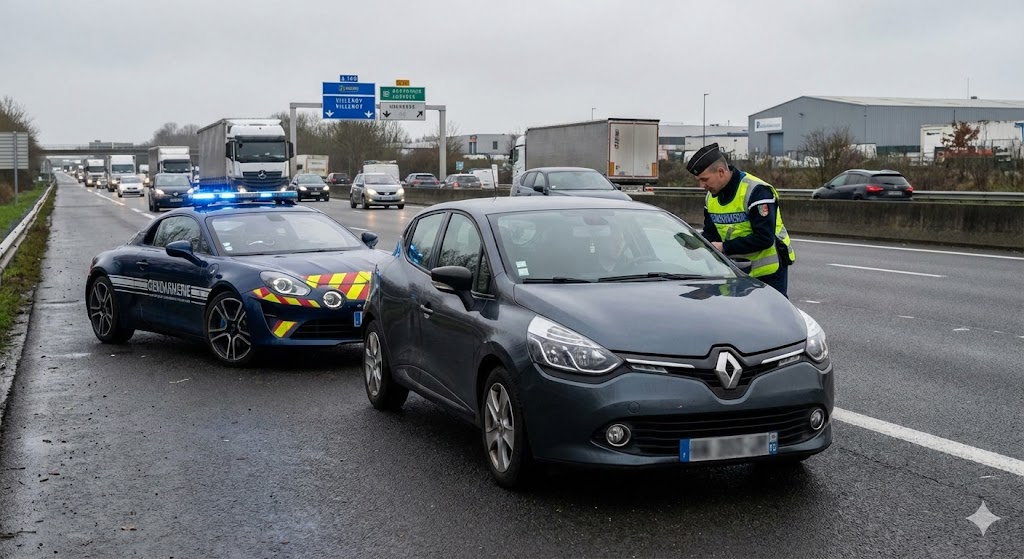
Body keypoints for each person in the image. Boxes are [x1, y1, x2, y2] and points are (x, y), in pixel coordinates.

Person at [686, 143, 796, 298]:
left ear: (721, 172)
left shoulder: (756, 191)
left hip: (769, 274)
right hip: (735, 272)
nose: (701, 185)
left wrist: (724, 247)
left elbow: (764, 238)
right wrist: (696, 245)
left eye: (704, 179)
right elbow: (711, 234)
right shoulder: (711, 198)